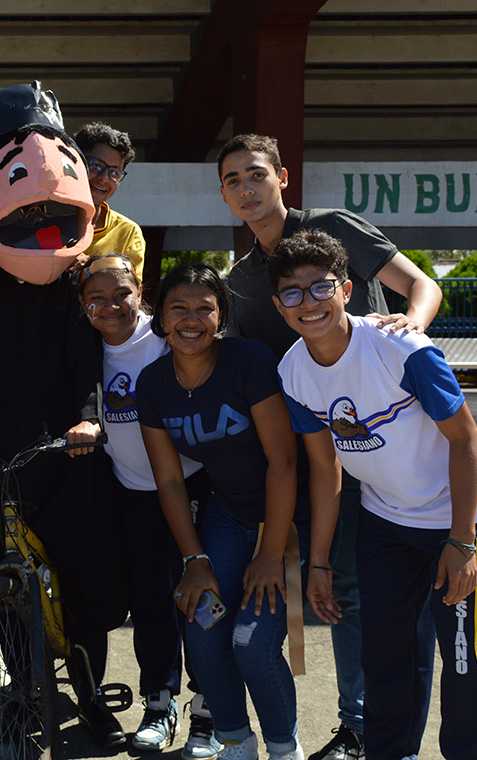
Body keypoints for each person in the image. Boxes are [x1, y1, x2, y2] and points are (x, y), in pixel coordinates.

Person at [218, 133, 443, 760]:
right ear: (224, 194)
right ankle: (358, 726)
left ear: (282, 177)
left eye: (256, 174)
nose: (247, 188)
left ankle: (373, 726)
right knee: (342, 588)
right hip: (325, 456)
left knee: (391, 598)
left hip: (392, 443)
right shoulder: (240, 282)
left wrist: (408, 332)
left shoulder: (329, 230)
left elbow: (420, 285)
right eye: (233, 179)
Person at [0, 82, 130, 749]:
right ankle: (23, 684)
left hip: (70, 451)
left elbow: (91, 368)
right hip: (5, 450)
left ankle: (92, 690)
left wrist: (87, 420)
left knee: (83, 569)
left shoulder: (80, 287)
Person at [271, 229, 477, 760]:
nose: (308, 303)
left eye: (320, 287)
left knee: (468, 662)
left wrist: (463, 542)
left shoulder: (402, 349)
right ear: (278, 305)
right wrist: (321, 564)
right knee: (388, 659)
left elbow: (466, 440)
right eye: (292, 292)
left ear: (346, 290)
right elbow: (324, 467)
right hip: (386, 524)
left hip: (461, 520)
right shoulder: (292, 372)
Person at [136, 265, 303, 760]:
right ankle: (235, 741)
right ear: (161, 318)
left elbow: (284, 461)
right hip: (228, 518)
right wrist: (195, 560)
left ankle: (282, 748)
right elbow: (167, 479)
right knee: (205, 629)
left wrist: (271, 553)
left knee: (251, 642)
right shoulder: (152, 383)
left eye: (204, 308)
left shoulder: (248, 361)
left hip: (287, 519)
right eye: (178, 308)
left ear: (221, 315)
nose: (192, 320)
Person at [77, 254, 220, 758]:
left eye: (122, 293)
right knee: (151, 603)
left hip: (194, 486)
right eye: (97, 297)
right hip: (132, 493)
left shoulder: (165, 340)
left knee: (203, 600)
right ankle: (159, 703)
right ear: (83, 305)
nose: (111, 306)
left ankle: (209, 708)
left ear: (141, 292)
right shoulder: (83, 346)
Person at [73, 122, 146, 280]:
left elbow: (129, 291)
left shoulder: (127, 232)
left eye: (114, 172)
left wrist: (91, 265)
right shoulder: (43, 215)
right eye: (96, 166)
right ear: (75, 161)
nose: (104, 178)